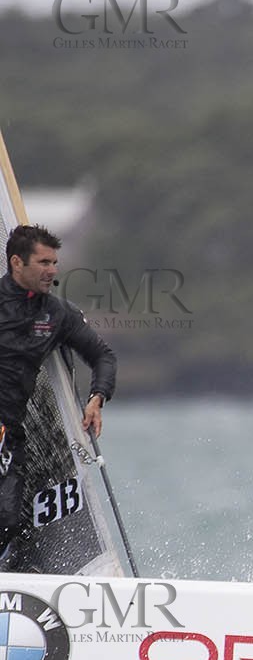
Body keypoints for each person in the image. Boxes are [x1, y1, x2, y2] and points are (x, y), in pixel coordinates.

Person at [0, 224, 117, 546]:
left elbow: (103, 356)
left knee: (9, 520)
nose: (52, 270)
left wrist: (97, 398)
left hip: (9, 432)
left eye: (54, 262)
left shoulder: (58, 314)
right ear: (16, 263)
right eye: (44, 263)